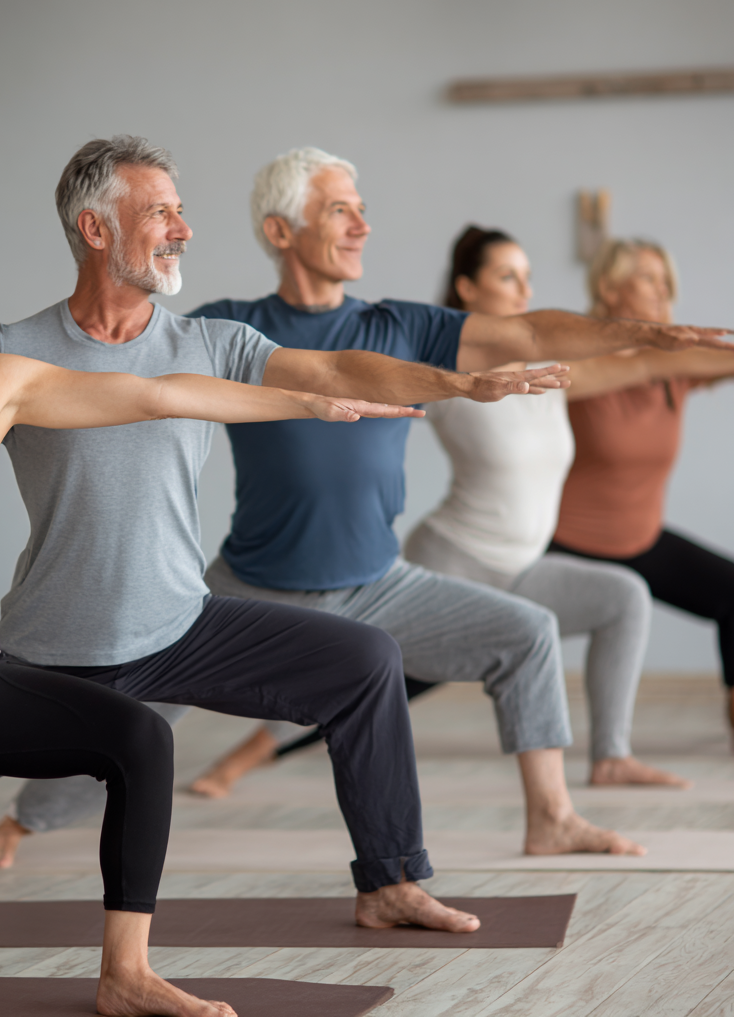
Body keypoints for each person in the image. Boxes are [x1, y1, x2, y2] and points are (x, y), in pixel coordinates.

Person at [0, 136, 565, 934]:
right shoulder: (11, 351)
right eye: (160, 211)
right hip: (48, 639)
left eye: (178, 210)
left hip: (176, 626)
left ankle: (390, 880)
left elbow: (327, 369)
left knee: (364, 662)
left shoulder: (208, 341)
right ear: (96, 228)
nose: (182, 228)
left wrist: (456, 384)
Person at [180, 148, 727, 831]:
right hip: (347, 568)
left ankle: (564, 804)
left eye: (363, 211)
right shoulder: (257, 330)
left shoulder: (456, 344)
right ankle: (47, 803)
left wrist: (648, 338)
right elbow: (329, 376)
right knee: (176, 684)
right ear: (280, 232)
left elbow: (546, 335)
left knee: (537, 631)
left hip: (457, 570)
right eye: (339, 210)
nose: (360, 226)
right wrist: (462, 383)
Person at [402, 225, 688, 787]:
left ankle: (611, 756)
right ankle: (249, 750)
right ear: (466, 287)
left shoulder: (553, 368)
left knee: (624, 598)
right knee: (363, 666)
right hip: (453, 562)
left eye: (528, 277)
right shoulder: (445, 366)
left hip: (521, 569)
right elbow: (367, 392)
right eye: (507, 276)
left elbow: (641, 363)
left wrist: (680, 341)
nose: (523, 290)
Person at [550, 238, 734, 735]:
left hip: (641, 541)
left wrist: (676, 355)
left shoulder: (675, 371)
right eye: (649, 278)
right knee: (462, 641)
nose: (663, 291)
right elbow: (602, 372)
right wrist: (663, 355)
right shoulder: (577, 357)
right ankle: (340, 707)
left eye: (667, 282)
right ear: (609, 288)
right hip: (565, 544)